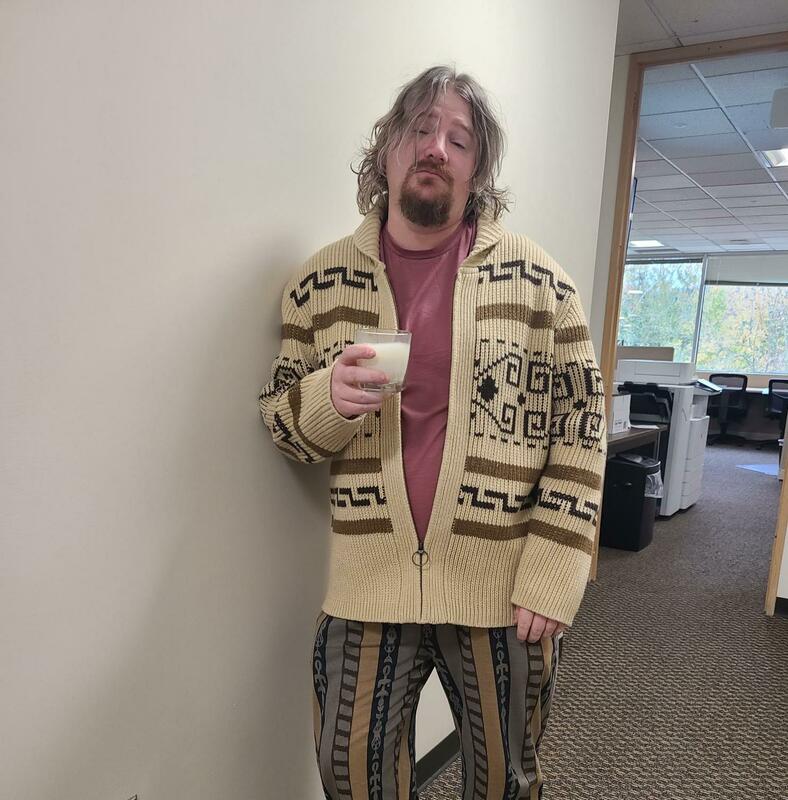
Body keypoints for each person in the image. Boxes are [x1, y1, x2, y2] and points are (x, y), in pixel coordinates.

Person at [259, 65, 607, 800]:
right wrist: (328, 400)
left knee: (507, 783)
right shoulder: (318, 285)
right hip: (367, 589)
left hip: (503, 591)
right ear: (386, 148)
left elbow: (581, 428)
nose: (436, 148)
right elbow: (282, 424)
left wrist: (555, 569)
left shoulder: (542, 286)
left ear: (476, 171)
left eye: (459, 139)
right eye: (420, 128)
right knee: (349, 777)